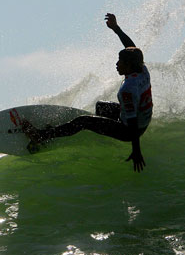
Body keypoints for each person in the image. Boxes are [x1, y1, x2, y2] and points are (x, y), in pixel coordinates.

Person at [22, 13, 153, 172]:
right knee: (101, 107)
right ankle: (97, 132)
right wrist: (116, 29)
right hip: (142, 121)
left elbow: (131, 125)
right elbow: (131, 47)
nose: (117, 64)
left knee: (83, 121)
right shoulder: (142, 70)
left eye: (121, 62)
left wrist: (136, 150)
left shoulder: (127, 89)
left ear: (129, 65)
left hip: (130, 130)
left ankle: (41, 136)